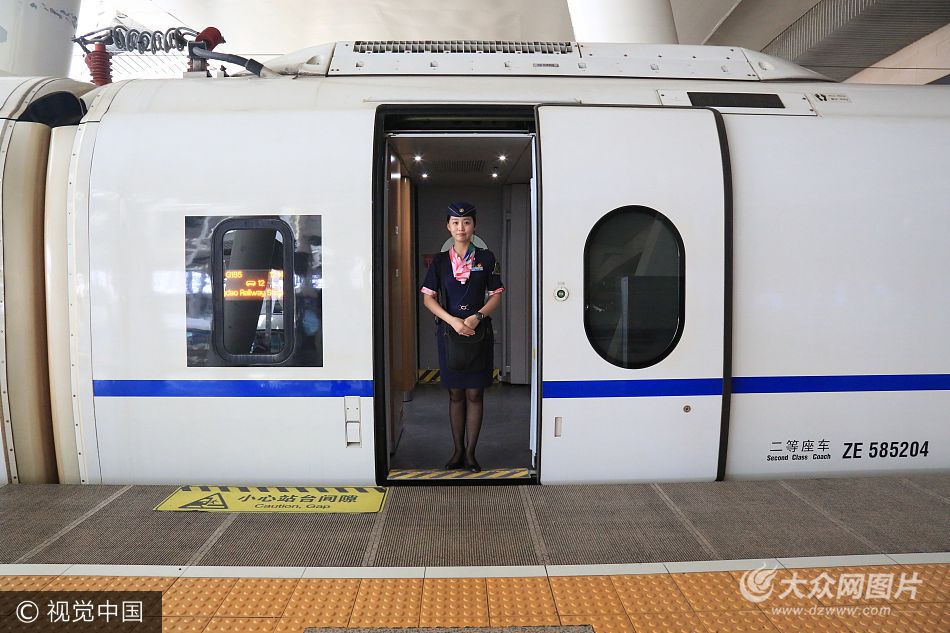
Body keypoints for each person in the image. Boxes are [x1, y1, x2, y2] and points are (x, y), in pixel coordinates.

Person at [420, 202, 505, 472]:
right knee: (455, 394)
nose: (461, 228)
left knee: (475, 393)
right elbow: (428, 299)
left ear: (474, 226)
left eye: (466, 222)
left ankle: (470, 454)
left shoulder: (486, 258)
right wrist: (454, 321)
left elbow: (496, 296)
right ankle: (457, 450)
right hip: (449, 333)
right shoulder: (440, 261)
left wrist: (476, 317)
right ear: (448, 226)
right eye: (455, 223)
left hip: (479, 332)